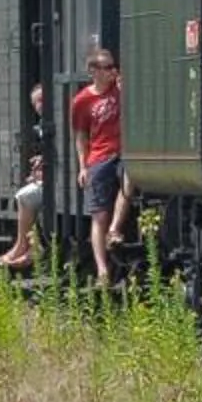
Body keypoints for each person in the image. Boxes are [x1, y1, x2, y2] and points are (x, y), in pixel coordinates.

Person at [71, 48, 132, 285]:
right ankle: (102, 270)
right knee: (99, 215)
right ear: (93, 71)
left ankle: (115, 230)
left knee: (130, 176)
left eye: (113, 66)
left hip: (121, 153)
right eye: (106, 68)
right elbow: (80, 136)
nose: (112, 71)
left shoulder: (120, 89)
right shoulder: (81, 101)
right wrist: (83, 167)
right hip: (98, 157)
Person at [0, 82, 49, 270]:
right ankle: (30, 246)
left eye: (43, 100)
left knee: (24, 196)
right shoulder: (43, 124)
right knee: (27, 195)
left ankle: (24, 246)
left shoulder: (51, 122)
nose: (40, 105)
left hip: (58, 184)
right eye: (36, 102)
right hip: (50, 180)